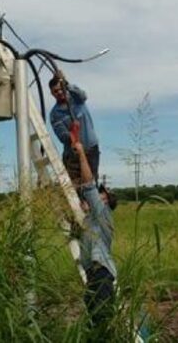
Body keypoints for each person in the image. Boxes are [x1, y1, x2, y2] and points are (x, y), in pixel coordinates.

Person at [73, 139, 117, 334]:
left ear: (105, 201)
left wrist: (81, 153)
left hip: (101, 275)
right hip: (92, 276)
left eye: (101, 194)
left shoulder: (103, 214)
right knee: (95, 325)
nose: (96, 196)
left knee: (101, 324)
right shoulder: (91, 220)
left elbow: (89, 185)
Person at [49, 74, 100, 185]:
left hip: (91, 149)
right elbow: (62, 136)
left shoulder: (77, 99)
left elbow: (83, 95)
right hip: (73, 155)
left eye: (61, 89)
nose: (59, 93)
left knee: (91, 183)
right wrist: (73, 132)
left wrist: (66, 83)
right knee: (74, 187)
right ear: (52, 94)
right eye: (55, 91)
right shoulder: (54, 114)